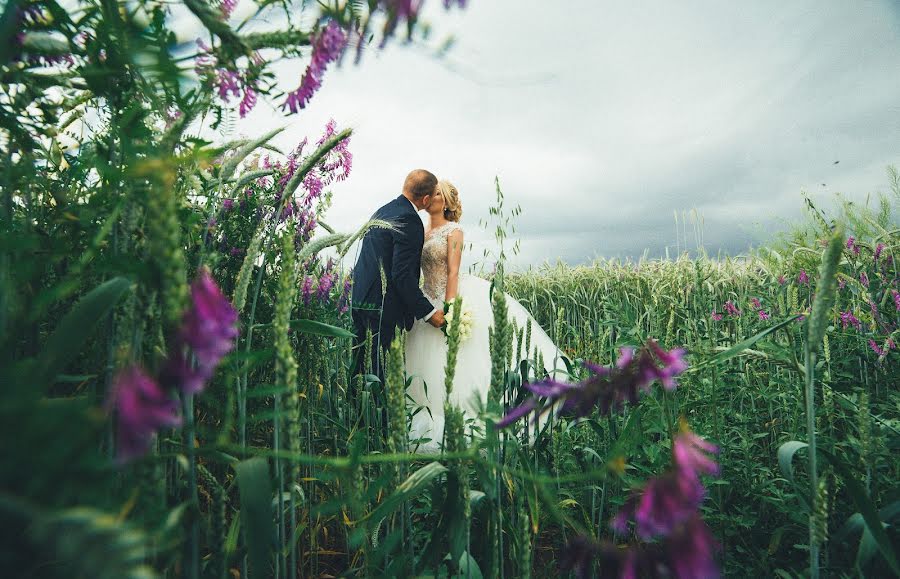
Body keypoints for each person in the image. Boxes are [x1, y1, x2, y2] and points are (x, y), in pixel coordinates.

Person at [404, 179, 567, 452]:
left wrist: (451, 309)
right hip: (426, 302)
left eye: (437, 194)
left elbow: (453, 271)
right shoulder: (420, 230)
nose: (431, 198)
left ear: (445, 201)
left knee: (460, 360)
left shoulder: (453, 231)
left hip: (451, 296)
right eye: (429, 194)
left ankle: (468, 416)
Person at [351, 169, 446, 382]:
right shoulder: (410, 220)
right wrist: (429, 313)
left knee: (359, 374)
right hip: (383, 309)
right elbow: (402, 275)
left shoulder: (382, 211)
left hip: (360, 300)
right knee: (379, 377)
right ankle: (379, 417)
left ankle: (358, 416)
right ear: (426, 199)